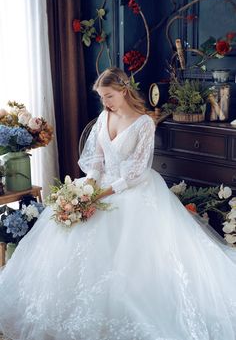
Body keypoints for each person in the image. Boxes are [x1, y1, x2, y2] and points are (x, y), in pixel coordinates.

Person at [0, 67, 236, 340]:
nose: (105, 102)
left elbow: (136, 173)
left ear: (124, 90)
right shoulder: (103, 117)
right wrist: (87, 186)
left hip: (133, 191)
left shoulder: (144, 123)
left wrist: (100, 196)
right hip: (101, 187)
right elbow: (96, 162)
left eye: (109, 96)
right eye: (102, 97)